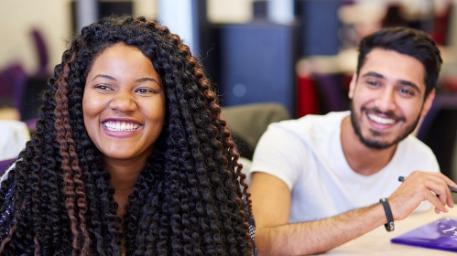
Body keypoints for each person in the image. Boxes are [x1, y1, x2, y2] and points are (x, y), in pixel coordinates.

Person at [0, 16, 255, 255]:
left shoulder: (212, 189)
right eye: (103, 87)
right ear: (76, 97)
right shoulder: (26, 191)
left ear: (172, 104)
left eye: (144, 90)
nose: (123, 103)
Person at [249, 26, 457, 255]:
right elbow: (260, 244)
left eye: (405, 91)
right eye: (374, 83)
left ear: (427, 102)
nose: (385, 104)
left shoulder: (420, 159)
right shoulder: (288, 140)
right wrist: (387, 208)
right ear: (353, 84)